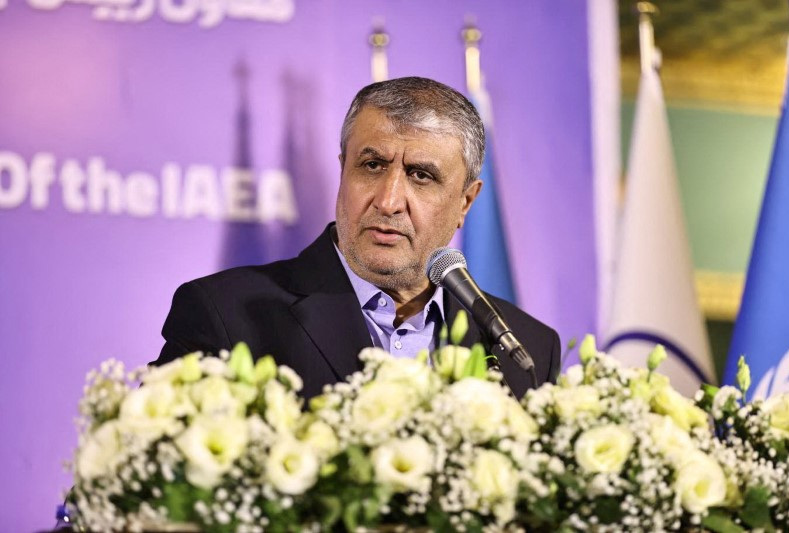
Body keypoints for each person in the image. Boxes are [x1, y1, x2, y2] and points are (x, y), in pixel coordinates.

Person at [154, 76, 560, 399]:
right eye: (371, 165)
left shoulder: (526, 349)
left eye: (421, 175)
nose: (387, 200)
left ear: (465, 203)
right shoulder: (225, 314)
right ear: (343, 169)